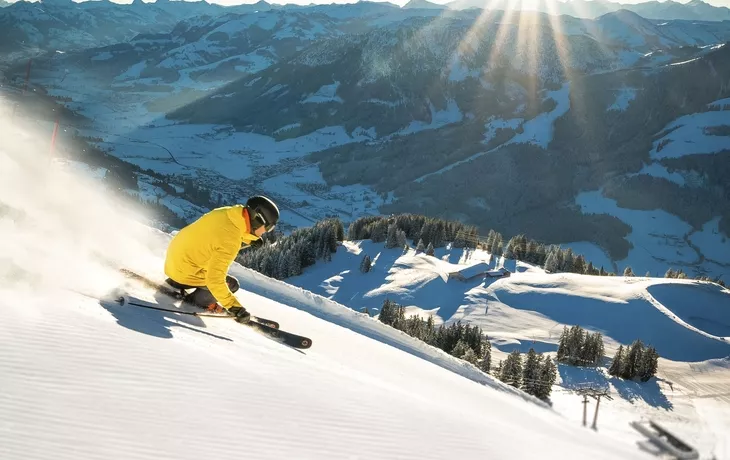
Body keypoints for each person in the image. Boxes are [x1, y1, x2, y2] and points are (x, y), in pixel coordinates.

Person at [163, 195, 279, 323]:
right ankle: (194, 303)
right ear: (257, 219)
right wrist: (235, 308)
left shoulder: (226, 213)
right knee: (231, 284)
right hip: (183, 272)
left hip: (174, 260)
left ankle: (174, 283)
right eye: (267, 228)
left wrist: (248, 240)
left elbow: (219, 238)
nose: (265, 232)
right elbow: (215, 279)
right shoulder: (231, 241)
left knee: (207, 266)